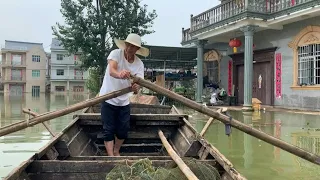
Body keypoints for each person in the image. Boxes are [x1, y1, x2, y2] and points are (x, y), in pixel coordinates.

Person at [99, 33, 149, 156]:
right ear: (125, 44)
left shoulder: (139, 64)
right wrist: (120, 74)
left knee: (123, 130)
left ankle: (116, 151)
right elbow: (112, 71)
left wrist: (136, 87)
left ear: (137, 49)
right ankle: (111, 156)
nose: (129, 48)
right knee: (108, 130)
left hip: (123, 101)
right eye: (128, 45)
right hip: (108, 97)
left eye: (133, 46)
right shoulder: (116, 53)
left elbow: (138, 84)